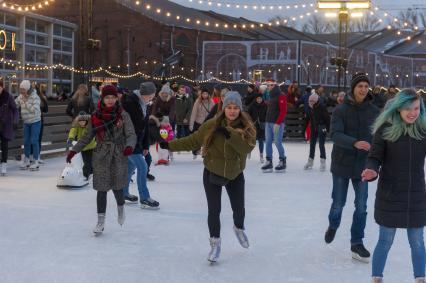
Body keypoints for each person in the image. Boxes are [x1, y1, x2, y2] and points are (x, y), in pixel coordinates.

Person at [159, 91, 256, 263]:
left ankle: (239, 228)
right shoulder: (211, 125)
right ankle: (215, 243)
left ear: (240, 109)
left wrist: (229, 134)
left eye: (235, 108)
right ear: (223, 108)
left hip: (235, 173)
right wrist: (169, 145)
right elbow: (193, 141)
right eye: (229, 107)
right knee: (214, 210)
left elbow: (246, 148)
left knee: (239, 209)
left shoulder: (247, 126)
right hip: (212, 170)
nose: (232, 111)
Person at [361, 89, 426, 283]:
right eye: (408, 108)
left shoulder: (423, 130)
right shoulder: (386, 129)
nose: (412, 112)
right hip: (390, 194)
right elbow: (374, 156)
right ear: (398, 108)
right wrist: (371, 170)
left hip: (416, 196)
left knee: (417, 242)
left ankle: (420, 279)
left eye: (416, 108)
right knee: (385, 241)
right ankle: (377, 278)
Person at [324, 73, 380, 263]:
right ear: (353, 88)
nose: (363, 89)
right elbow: (335, 134)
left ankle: (357, 242)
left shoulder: (374, 111)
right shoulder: (341, 110)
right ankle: (333, 224)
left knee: (362, 206)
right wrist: (354, 143)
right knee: (338, 203)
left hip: (363, 165)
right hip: (342, 163)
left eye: (366, 86)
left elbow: (379, 136)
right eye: (360, 86)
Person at [67, 85, 136, 235]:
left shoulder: (123, 115)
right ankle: (100, 221)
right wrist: (74, 150)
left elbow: (131, 134)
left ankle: (121, 208)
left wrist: (129, 146)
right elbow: (86, 137)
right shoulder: (95, 116)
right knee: (101, 189)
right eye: (107, 97)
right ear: (103, 99)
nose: (110, 100)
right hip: (101, 155)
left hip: (118, 154)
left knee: (118, 187)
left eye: (112, 97)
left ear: (116, 98)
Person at [121, 81, 159, 208]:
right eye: (151, 95)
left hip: (137, 141)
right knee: (142, 167)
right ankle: (144, 198)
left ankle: (123, 193)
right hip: (127, 141)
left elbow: (145, 126)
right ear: (145, 94)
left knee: (130, 167)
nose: (152, 98)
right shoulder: (129, 103)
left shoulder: (145, 104)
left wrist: (145, 145)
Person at [15, 80, 42, 171]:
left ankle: (35, 161)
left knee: (34, 140)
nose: (21, 91)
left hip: (35, 121)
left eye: (23, 89)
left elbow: (35, 110)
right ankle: (26, 160)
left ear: (27, 89)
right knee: (26, 141)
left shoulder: (35, 97)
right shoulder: (21, 97)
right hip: (26, 122)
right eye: (20, 89)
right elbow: (15, 104)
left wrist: (26, 103)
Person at [261, 84, 288, 173]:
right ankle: (269, 160)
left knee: (277, 142)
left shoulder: (281, 95)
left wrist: (278, 123)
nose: (268, 87)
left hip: (277, 123)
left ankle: (282, 160)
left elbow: (283, 111)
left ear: (274, 86)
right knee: (268, 142)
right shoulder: (270, 95)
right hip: (268, 122)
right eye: (267, 85)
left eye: (270, 85)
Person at [303, 93, 330, 171]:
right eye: (309, 101)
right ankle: (310, 162)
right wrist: (304, 129)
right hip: (313, 128)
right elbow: (307, 119)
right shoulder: (309, 108)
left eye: (312, 101)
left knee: (321, 145)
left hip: (322, 128)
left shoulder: (322, 107)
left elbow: (327, 119)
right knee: (312, 145)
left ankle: (323, 162)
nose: (311, 102)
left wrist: (327, 129)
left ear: (316, 101)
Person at [67, 111, 96, 180]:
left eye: (83, 121)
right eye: (80, 121)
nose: (81, 123)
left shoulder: (90, 125)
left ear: (86, 120)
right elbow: (73, 130)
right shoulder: (77, 125)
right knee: (87, 161)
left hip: (92, 146)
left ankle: (86, 175)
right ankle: (91, 173)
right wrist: (71, 137)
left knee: (88, 162)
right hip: (82, 147)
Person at [189, 88, 214, 159]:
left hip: (208, 123)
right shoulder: (198, 101)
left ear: (208, 94)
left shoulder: (211, 101)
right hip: (198, 123)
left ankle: (205, 152)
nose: (205, 95)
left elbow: (214, 112)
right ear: (201, 94)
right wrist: (191, 124)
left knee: (207, 139)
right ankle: (195, 151)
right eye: (203, 94)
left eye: (206, 93)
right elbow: (194, 113)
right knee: (198, 138)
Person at [0, 81, 19, 176]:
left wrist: (15, 121)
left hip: (5, 125)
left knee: (4, 145)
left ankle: (4, 164)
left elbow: (15, 109)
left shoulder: (8, 97)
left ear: (2, 87)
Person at [248, 93, 267, 163]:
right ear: (256, 99)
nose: (259, 100)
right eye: (258, 98)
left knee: (261, 141)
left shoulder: (265, 106)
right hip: (253, 126)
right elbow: (248, 114)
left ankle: (261, 155)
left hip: (261, 126)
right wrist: (250, 122)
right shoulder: (252, 106)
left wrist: (264, 120)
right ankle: (249, 151)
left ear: (262, 99)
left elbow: (267, 114)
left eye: (260, 98)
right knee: (252, 140)